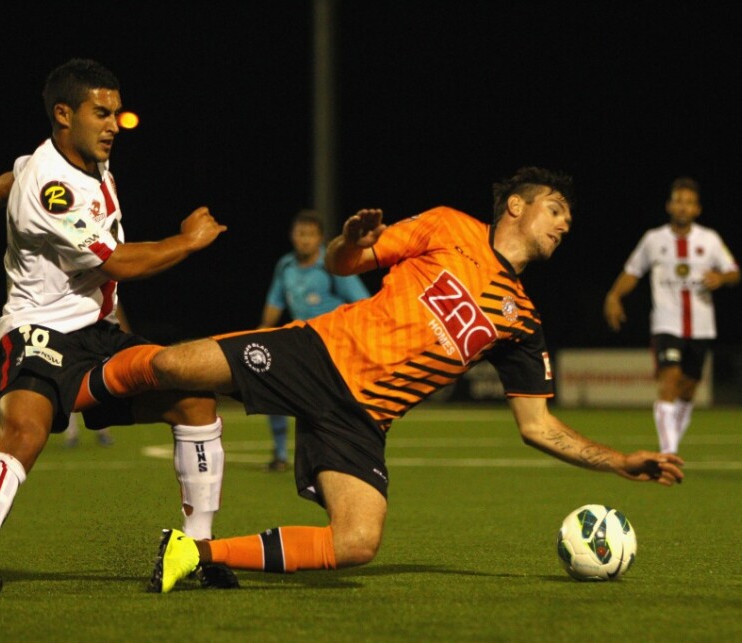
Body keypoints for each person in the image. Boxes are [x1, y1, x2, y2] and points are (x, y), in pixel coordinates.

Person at [75, 166, 685, 593]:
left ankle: (194, 553)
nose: (564, 225)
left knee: (357, 543)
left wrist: (618, 462)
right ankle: (62, 387)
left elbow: (537, 426)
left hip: (364, 420)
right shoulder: (448, 226)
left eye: (568, 219)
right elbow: (344, 263)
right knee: (172, 366)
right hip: (319, 354)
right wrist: (349, 242)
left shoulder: (522, 321)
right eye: (556, 211)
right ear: (517, 207)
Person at [0, 58, 236, 597]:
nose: (114, 125)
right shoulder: (53, 188)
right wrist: (189, 242)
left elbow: (13, 173)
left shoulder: (74, 158)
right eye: (101, 113)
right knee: (25, 434)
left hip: (96, 331)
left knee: (195, 401)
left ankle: (197, 550)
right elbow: (120, 263)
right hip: (38, 332)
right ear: (64, 114)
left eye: (116, 113)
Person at [604, 177, 740, 454]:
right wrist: (614, 296)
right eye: (678, 201)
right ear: (669, 206)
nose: (683, 207)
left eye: (689, 202)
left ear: (697, 209)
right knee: (669, 382)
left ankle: (671, 445)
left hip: (701, 326)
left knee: (687, 390)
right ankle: (668, 453)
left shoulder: (710, 239)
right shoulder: (653, 239)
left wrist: (721, 277)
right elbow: (633, 271)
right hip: (666, 323)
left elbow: (734, 272)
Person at [256, 209, 371, 471]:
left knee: (332, 404)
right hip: (301, 342)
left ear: (320, 238)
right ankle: (280, 454)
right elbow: (275, 302)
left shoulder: (332, 264)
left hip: (334, 344)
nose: (305, 240)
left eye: (310, 234)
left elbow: (362, 302)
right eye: (300, 234)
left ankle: (344, 453)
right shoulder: (285, 266)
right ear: (292, 236)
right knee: (271, 384)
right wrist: (260, 332)